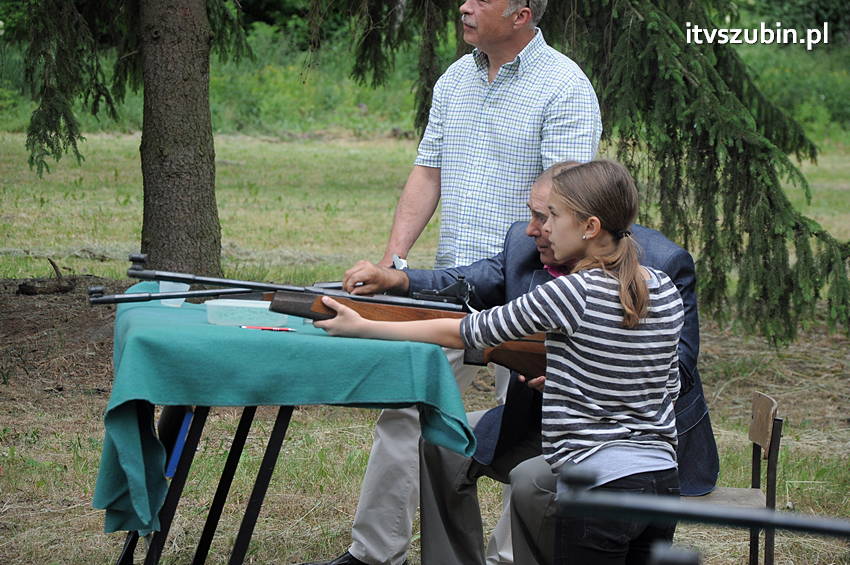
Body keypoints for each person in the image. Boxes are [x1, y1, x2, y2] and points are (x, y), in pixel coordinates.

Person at [317, 160, 685, 565]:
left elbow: (466, 332)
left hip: (598, 487)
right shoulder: (661, 286)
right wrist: (573, 382)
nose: (541, 228)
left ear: (590, 227)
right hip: (660, 481)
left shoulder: (570, 292)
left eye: (553, 216)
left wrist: (365, 325)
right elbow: (668, 385)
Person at [378, 0, 601, 270]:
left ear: (520, 16)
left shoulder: (565, 88)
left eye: (481, 1)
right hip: (450, 276)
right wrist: (392, 260)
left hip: (520, 284)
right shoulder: (455, 78)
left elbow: (567, 200)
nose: (464, 7)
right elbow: (428, 173)